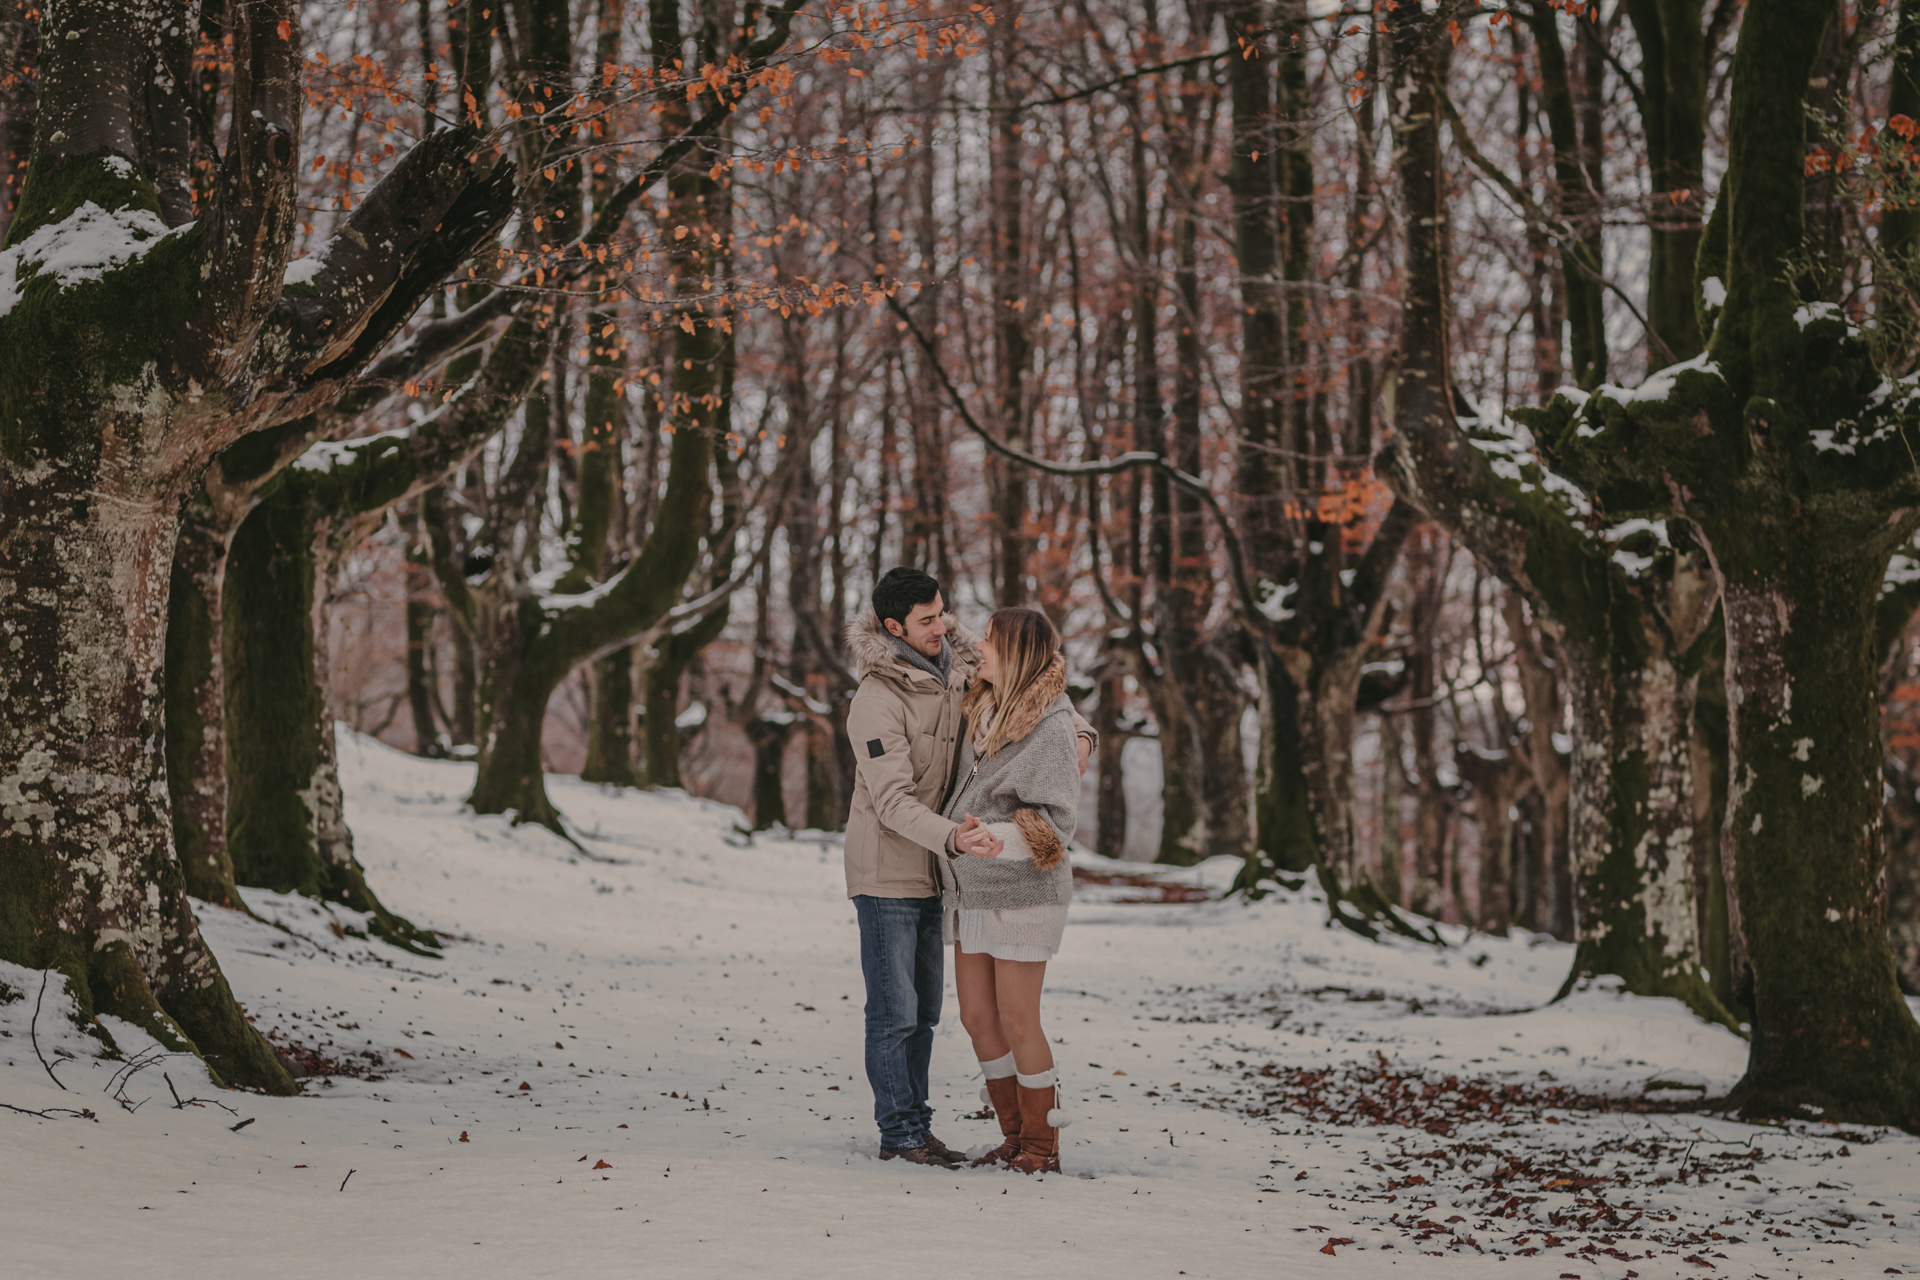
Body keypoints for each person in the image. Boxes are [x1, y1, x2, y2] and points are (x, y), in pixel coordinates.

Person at [843, 568, 1091, 1168]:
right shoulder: (878, 701)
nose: (946, 629)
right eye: (928, 620)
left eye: (943, 613)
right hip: (898, 869)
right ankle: (905, 1133)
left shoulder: (958, 674)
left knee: (931, 1015)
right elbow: (895, 802)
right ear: (893, 627)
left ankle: (1030, 1143)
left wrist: (1085, 735)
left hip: (959, 874)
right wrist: (958, 839)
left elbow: (1045, 698)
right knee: (904, 1014)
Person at [936, 607, 1081, 1174]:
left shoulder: (1049, 725)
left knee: (1019, 1017)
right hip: (973, 887)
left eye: (993, 643)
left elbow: (1055, 823)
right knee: (977, 1016)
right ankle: (1013, 1133)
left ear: (1018, 655)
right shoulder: (987, 705)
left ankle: (1042, 1146)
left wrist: (995, 837)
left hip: (1023, 892)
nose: (982, 651)